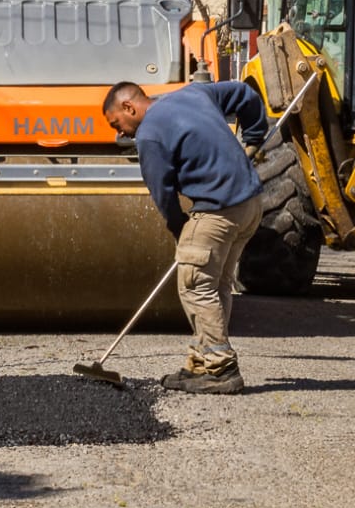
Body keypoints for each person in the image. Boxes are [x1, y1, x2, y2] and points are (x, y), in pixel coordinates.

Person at [101, 79, 268, 395]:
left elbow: (162, 194)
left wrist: (181, 230)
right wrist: (255, 136)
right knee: (216, 284)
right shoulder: (194, 93)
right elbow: (245, 93)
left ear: (129, 107)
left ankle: (221, 367)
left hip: (219, 208)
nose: (119, 132)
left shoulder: (149, 134)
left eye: (117, 123)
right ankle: (201, 363)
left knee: (195, 283)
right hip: (251, 205)